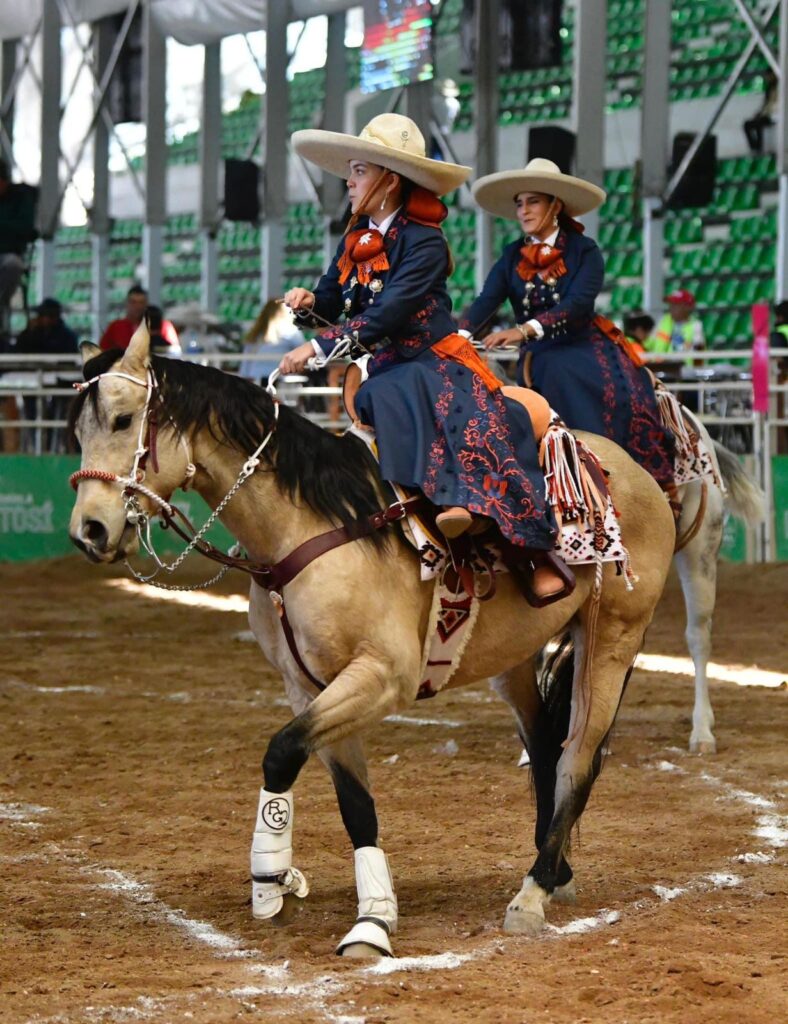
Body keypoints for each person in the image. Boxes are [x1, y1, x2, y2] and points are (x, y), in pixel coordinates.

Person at [278, 113, 562, 595]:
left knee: (428, 404)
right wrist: (308, 305)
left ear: (389, 181)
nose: (349, 181)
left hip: (431, 359)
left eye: (360, 171)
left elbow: (389, 312)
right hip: (384, 364)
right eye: (351, 171)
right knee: (378, 393)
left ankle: (521, 546)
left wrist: (320, 345)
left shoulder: (424, 240)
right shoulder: (355, 239)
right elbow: (331, 300)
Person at [463, 158, 676, 501]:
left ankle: (632, 476)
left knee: (617, 393)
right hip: (539, 351)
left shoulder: (584, 250)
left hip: (581, 343)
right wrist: (460, 336)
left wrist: (525, 329)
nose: (523, 210)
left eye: (533, 202)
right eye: (519, 203)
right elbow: (487, 299)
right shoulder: (512, 255)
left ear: (555, 206)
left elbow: (578, 303)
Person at [0, 157, 37, 320]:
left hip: (9, 253)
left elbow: (25, 228)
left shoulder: (21, 197)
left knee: (12, 265)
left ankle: (1, 304)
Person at [238, 298, 304, 385]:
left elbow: (245, 365)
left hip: (256, 379)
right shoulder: (291, 331)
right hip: (281, 379)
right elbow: (303, 353)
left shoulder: (254, 334)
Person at [99, 285, 180, 352]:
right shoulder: (116, 327)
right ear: (127, 304)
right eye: (133, 302)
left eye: (141, 302)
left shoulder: (164, 326)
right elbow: (102, 352)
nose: (138, 307)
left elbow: (174, 352)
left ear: (147, 304)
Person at [648, 289, 704, 361]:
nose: (671, 308)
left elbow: (699, 355)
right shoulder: (663, 321)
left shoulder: (696, 326)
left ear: (687, 307)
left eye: (675, 304)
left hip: (685, 367)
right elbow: (648, 344)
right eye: (670, 304)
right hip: (660, 366)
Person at [743, 70, 778, 155]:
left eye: (769, 75)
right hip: (766, 114)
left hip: (774, 115)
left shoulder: (779, 87)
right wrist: (759, 113)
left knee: (759, 123)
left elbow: (774, 104)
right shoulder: (769, 88)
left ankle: (759, 148)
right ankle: (754, 147)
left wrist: (764, 113)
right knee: (747, 124)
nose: (768, 78)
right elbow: (766, 104)